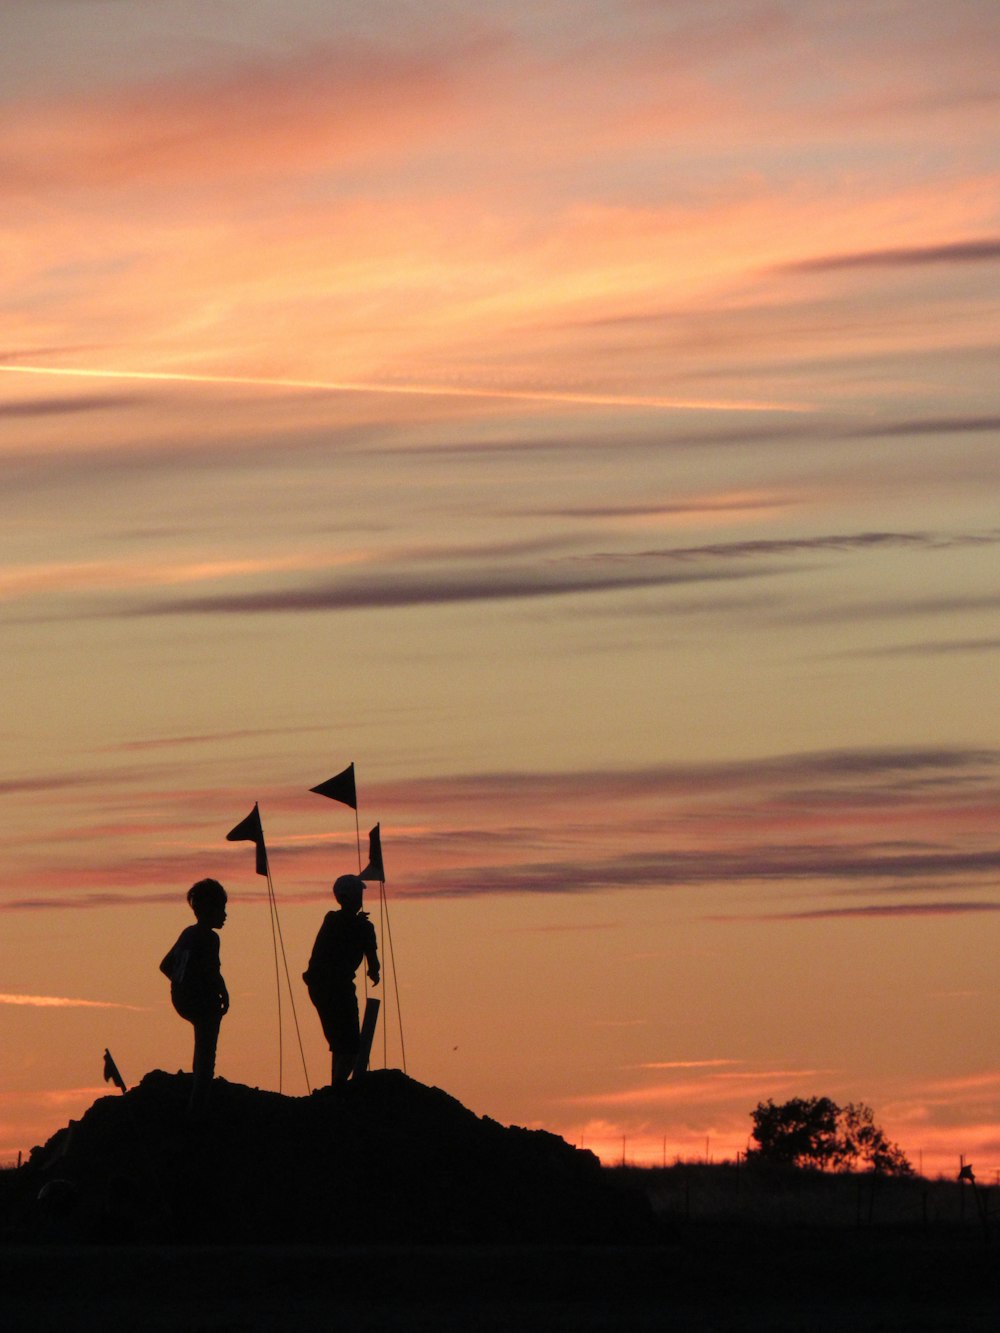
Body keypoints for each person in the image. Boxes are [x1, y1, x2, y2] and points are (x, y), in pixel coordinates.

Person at [159, 878, 229, 1115]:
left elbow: (166, 965)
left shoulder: (188, 933)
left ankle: (196, 1102)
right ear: (209, 910)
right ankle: (198, 1109)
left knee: (202, 1051)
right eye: (221, 909)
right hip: (201, 1002)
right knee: (206, 1055)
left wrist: (181, 986)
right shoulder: (209, 938)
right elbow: (211, 971)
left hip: (182, 999)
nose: (225, 915)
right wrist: (219, 993)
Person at [303, 874, 380, 1084]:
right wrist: (374, 971)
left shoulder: (331, 920)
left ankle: (335, 1089)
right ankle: (337, 1089)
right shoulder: (362, 927)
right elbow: (373, 963)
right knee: (351, 1048)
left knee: (340, 1043)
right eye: (359, 894)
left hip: (318, 988)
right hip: (338, 990)